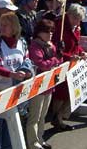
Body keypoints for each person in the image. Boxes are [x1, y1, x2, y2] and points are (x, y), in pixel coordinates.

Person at [0, 12, 32, 149]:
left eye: (5, 25)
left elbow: (26, 60)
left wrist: (26, 72)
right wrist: (12, 74)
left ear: (14, 27)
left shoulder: (22, 42)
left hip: (16, 91)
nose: (2, 27)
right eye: (1, 24)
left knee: (12, 125)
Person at [51, 4, 86, 131]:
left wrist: (81, 52)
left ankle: (60, 116)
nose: (78, 21)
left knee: (71, 92)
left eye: (79, 19)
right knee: (61, 93)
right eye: (76, 18)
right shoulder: (59, 27)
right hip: (62, 64)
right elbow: (55, 48)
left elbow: (76, 44)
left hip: (72, 64)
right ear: (69, 15)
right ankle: (56, 118)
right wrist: (68, 57)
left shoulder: (76, 27)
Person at [27, 20, 61, 149]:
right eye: (46, 31)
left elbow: (57, 62)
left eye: (51, 31)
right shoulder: (35, 46)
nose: (50, 34)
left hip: (49, 84)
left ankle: (40, 139)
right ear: (39, 32)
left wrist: (59, 54)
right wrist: (55, 58)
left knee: (43, 116)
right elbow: (41, 64)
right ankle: (32, 142)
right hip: (38, 86)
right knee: (34, 117)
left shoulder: (50, 45)